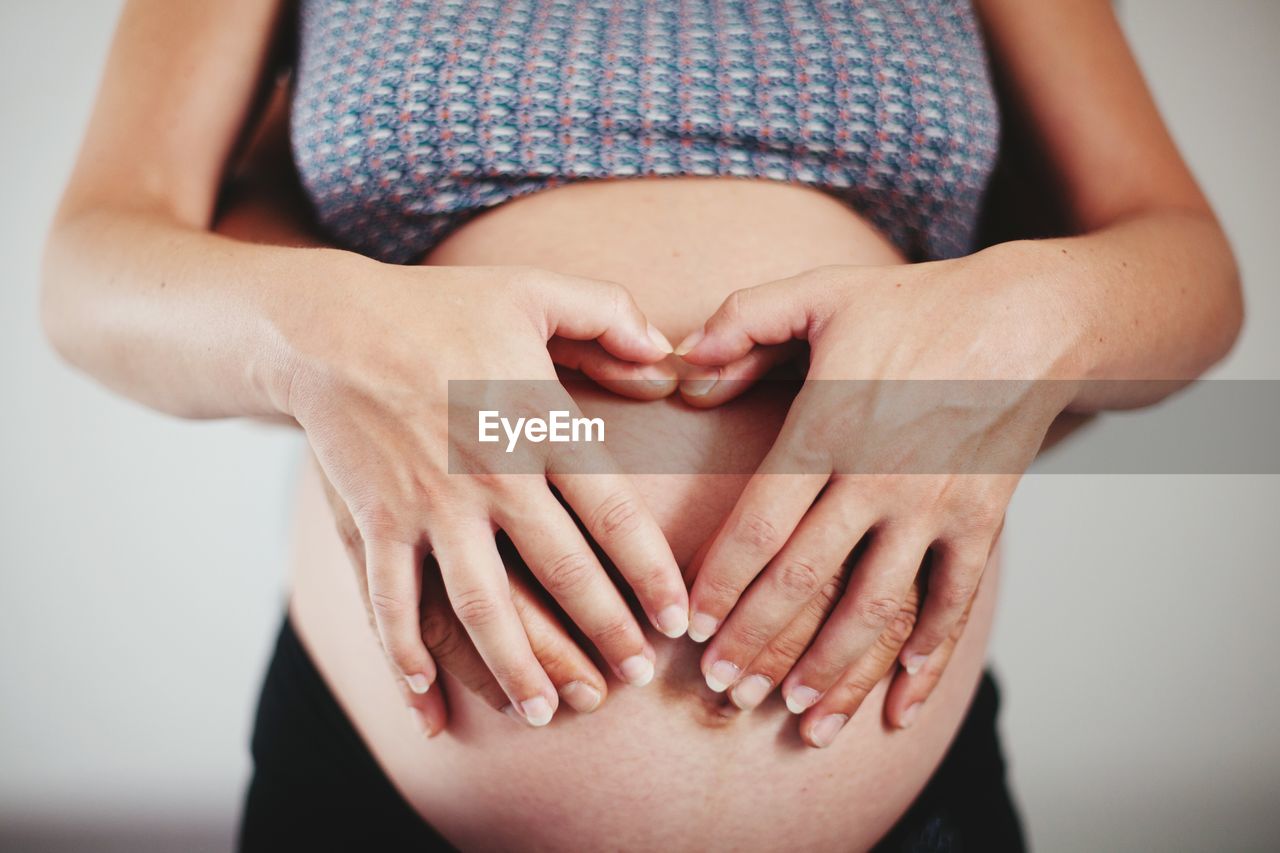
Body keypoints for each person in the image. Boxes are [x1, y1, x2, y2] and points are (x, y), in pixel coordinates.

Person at [41, 1, 1241, 850]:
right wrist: (322, 330)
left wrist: (1020, 324)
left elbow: (1183, 266)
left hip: (900, 780)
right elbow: (96, 261)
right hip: (377, 789)